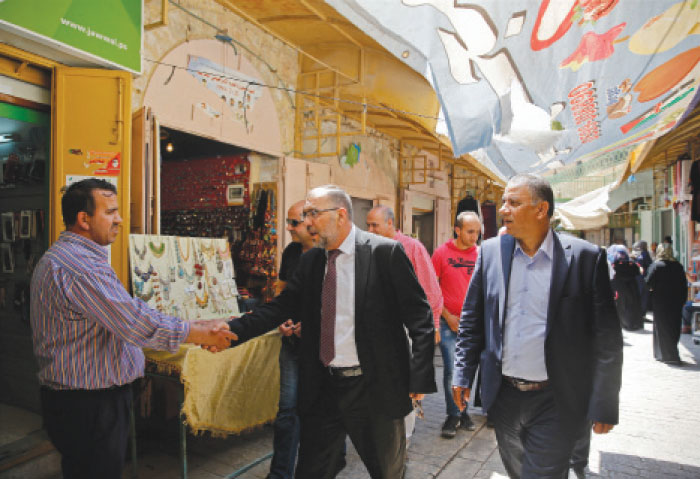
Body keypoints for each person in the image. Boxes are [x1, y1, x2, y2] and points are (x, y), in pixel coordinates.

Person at [227, 185, 436, 479]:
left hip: (372, 388)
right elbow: (281, 306)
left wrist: (419, 376)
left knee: (388, 472)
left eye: (312, 213)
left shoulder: (383, 253)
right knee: (312, 471)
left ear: (340, 215)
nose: (307, 221)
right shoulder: (312, 260)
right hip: (324, 387)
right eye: (305, 214)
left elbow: (420, 317)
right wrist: (231, 331)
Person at [30, 179, 235, 479]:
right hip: (88, 405)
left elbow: (123, 317)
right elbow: (133, 321)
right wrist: (199, 333)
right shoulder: (79, 266)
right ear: (83, 219)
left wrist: (195, 325)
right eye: (111, 212)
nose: (120, 219)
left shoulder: (73, 258)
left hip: (83, 401)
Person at [452, 173, 623, 479]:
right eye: (504, 202)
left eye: (513, 203)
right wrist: (463, 372)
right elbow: (472, 320)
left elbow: (607, 339)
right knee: (518, 472)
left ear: (541, 210)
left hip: (557, 400)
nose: (503, 209)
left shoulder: (584, 259)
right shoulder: (490, 253)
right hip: (504, 398)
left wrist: (604, 402)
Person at [366, 205, 443, 443]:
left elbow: (430, 290)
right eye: (367, 225)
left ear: (390, 224)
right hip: (379, 330)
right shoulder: (368, 248)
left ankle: (404, 437)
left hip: (408, 328)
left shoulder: (412, 248)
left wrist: (434, 326)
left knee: (407, 382)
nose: (369, 230)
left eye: (374, 225)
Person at [267, 200, 318, 479]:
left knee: (317, 412)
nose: (288, 228)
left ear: (311, 222)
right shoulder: (291, 253)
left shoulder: (328, 254)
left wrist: (310, 327)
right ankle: (280, 474)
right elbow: (283, 293)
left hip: (320, 349)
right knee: (287, 412)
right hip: (291, 344)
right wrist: (282, 321)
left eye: (294, 222)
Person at [431, 211, 481, 438]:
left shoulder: (481, 255)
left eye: (478, 232)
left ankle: (463, 411)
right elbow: (431, 289)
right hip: (448, 322)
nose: (475, 237)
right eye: (470, 232)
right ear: (458, 230)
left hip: (472, 325)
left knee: (468, 370)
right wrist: (447, 316)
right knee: (451, 369)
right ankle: (453, 415)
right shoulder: (442, 253)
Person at [645, 244, 687, 364]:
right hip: (676, 301)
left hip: (661, 301)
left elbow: (648, 283)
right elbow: (683, 285)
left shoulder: (656, 266)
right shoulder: (678, 266)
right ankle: (671, 351)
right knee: (674, 326)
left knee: (662, 326)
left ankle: (665, 354)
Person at [610, 250, 644, 331]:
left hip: (621, 288)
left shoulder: (615, 265)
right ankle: (633, 323)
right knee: (632, 305)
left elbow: (612, 276)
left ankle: (624, 323)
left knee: (622, 305)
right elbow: (638, 273)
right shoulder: (632, 264)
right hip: (632, 287)